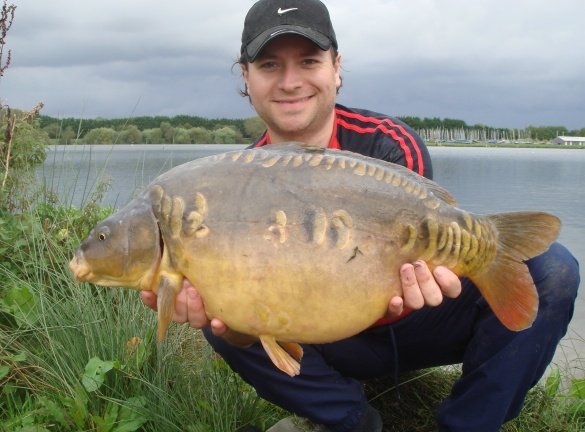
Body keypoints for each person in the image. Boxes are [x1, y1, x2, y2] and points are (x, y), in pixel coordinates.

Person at [140, 1, 580, 431]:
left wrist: (438, 266)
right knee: (218, 318)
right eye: (270, 65)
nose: (290, 82)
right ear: (246, 77)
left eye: (309, 61)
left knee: (553, 270)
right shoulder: (231, 182)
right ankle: (353, 420)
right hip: (326, 337)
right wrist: (233, 322)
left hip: (414, 322)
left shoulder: (390, 145)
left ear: (336, 66)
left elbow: (409, 271)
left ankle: (469, 422)